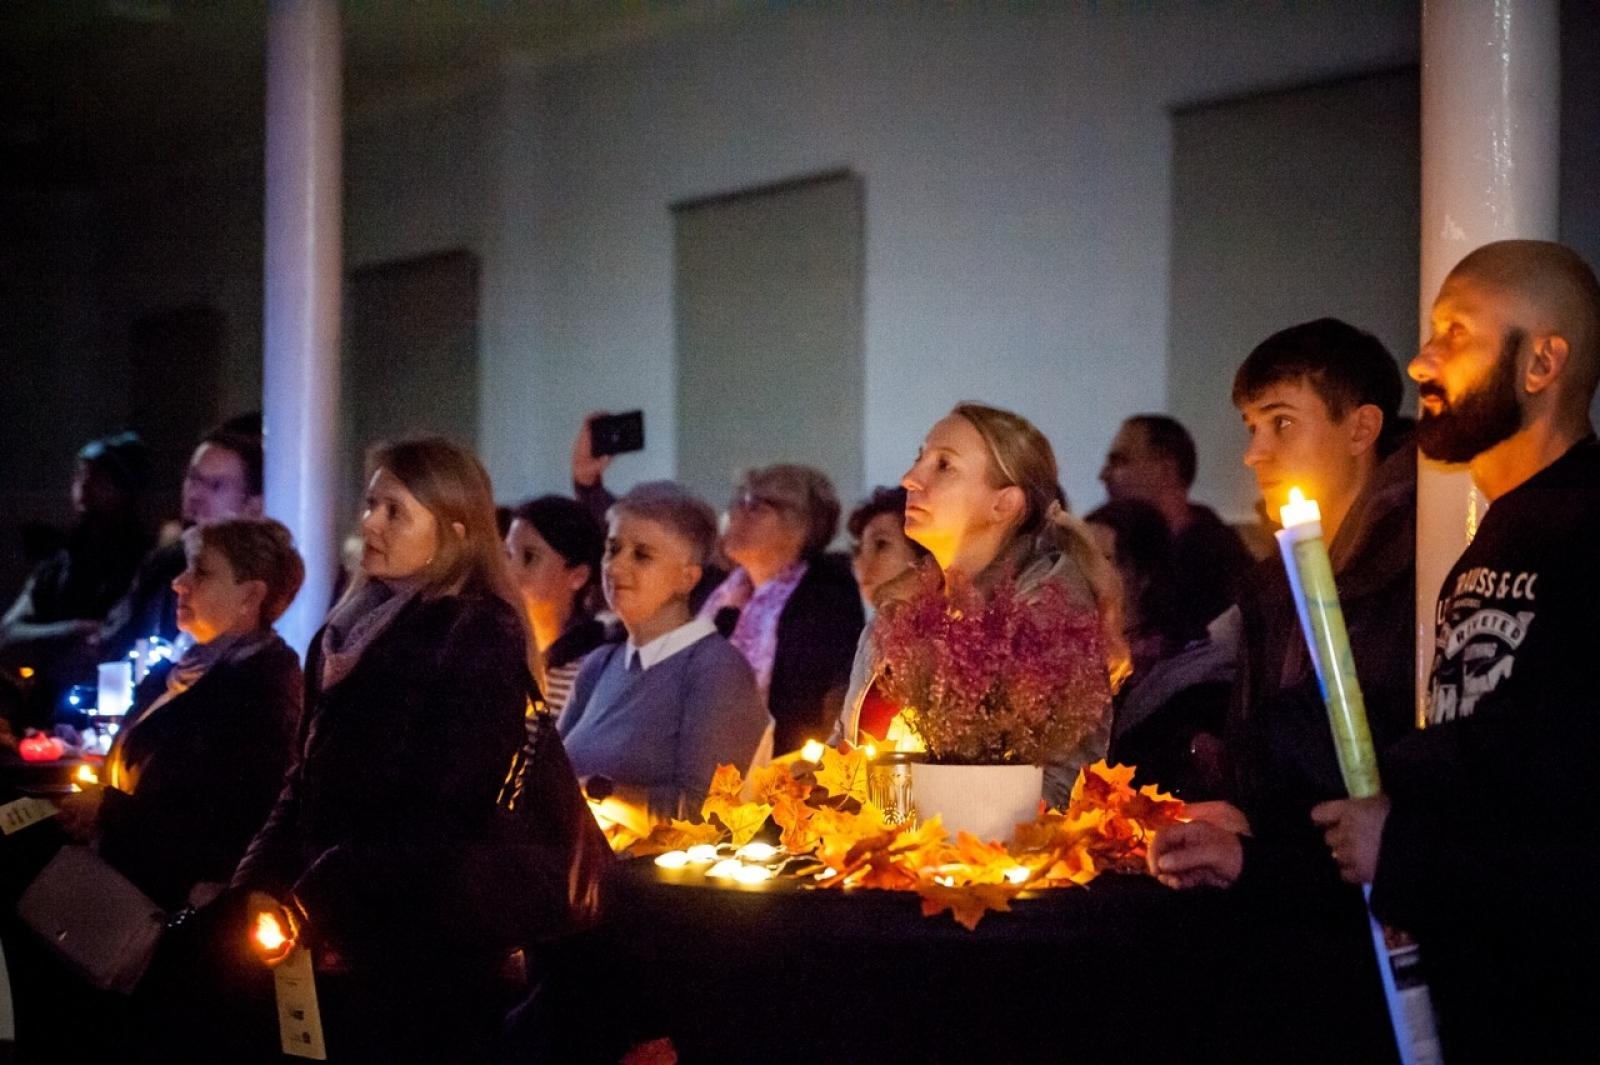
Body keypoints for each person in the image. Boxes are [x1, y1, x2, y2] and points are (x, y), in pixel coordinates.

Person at [1311, 241, 1600, 1061]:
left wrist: (1408, 853)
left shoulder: (1587, 527)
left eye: (1457, 332)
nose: (1420, 359)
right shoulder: (1497, 532)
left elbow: (1567, 790)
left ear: (1542, 361)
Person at [1147, 317, 1416, 1062]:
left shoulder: (1417, 571)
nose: (1254, 451)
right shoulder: (1277, 577)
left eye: (1282, 424)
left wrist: (1262, 847)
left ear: (1362, 426)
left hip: (1358, 947)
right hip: (1283, 921)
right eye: (1251, 425)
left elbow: (1374, 772)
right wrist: (1230, 793)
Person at [231, 436, 537, 1064]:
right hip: (326, 928)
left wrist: (318, 894)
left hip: (419, 947)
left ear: (453, 531)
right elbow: (304, 777)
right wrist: (257, 880)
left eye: (395, 511)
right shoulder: (345, 632)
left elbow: (449, 810)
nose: (369, 523)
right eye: (371, 504)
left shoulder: (475, 633)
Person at [835, 403, 1125, 805]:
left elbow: (1058, 793)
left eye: (944, 466)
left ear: (1004, 505)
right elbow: (842, 759)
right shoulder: (899, 612)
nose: (910, 479)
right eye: (920, 459)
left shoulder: (1050, 621)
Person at [559, 482, 769, 820]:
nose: (615, 567)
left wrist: (596, 795)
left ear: (687, 578)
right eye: (613, 549)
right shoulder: (600, 664)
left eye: (641, 555)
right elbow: (551, 774)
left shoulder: (715, 668)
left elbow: (706, 813)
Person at [698, 464, 864, 754]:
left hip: (787, 770)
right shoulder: (715, 594)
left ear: (804, 525)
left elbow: (824, 701)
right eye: (741, 500)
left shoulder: (826, 593)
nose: (740, 512)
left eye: (759, 504)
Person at [0, 432, 152, 724]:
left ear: (126, 489)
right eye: (82, 475)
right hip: (47, 713)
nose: (86, 486)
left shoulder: (146, 563)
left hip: (118, 715)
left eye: (100, 477)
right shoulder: (59, 563)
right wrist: (74, 629)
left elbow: (115, 642)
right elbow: (8, 635)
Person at [1089, 499, 1230, 799]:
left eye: (1104, 560)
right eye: (1080, 559)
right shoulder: (1068, 658)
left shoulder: (1182, 669)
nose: (1088, 575)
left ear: (1143, 575)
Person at [96, 417, 265, 664]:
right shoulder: (162, 566)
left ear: (253, 505)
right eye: (193, 479)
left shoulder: (259, 580)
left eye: (216, 486)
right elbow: (113, 641)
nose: (195, 495)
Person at [1098, 413, 1254, 636]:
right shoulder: (1137, 549)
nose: (1103, 475)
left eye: (1120, 461)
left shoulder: (1217, 564)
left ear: (1165, 468)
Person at [505, 495, 609, 719]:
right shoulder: (498, 656)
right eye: (508, 555)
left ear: (578, 576)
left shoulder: (594, 671)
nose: (509, 572)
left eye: (529, 557)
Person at [846, 485, 929, 614]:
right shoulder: (872, 631)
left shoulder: (955, 627)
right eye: (858, 550)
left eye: (881, 544)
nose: (860, 563)